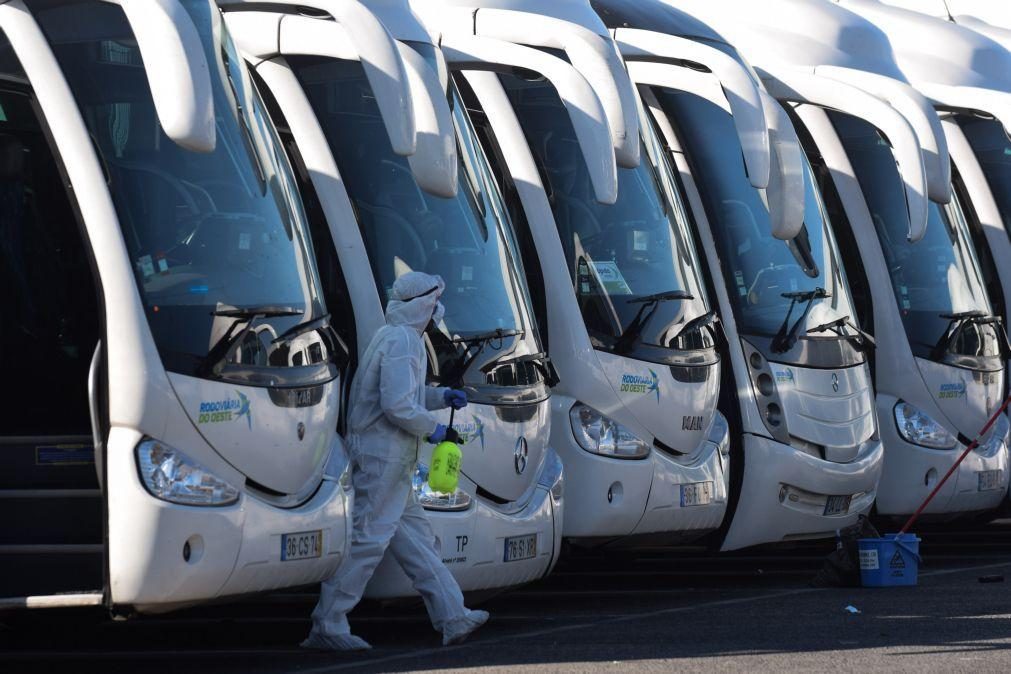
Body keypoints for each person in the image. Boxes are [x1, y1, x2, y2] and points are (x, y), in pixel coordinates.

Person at [302, 271, 489, 651]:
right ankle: (329, 623)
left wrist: (439, 398)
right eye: (434, 302)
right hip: (383, 456)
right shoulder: (404, 341)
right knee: (368, 540)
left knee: (418, 540)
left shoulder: (395, 337)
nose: (438, 310)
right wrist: (434, 431)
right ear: (423, 304)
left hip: (389, 457)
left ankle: (454, 616)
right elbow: (398, 405)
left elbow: (403, 392)